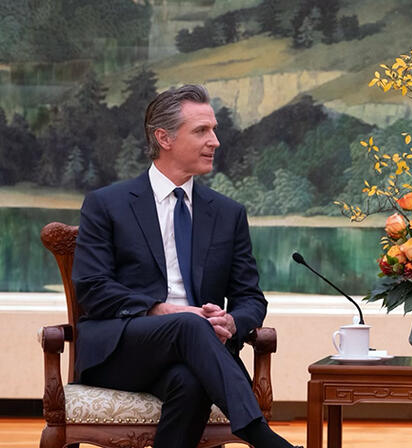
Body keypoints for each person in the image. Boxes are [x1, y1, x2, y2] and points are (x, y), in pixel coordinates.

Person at [73, 84, 299, 448]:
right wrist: (158, 309)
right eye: (201, 131)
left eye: (214, 129)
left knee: (191, 381)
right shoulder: (107, 204)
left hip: (197, 350)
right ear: (164, 137)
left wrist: (231, 322)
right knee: (187, 323)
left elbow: (249, 298)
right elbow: (92, 287)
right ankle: (260, 436)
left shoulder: (228, 214)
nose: (215, 141)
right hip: (120, 349)